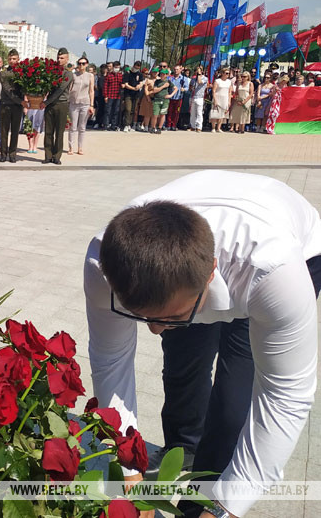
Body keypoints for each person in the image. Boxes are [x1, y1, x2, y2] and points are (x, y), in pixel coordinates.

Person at [84, 170, 321, 518]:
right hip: (191, 267)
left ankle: (202, 502)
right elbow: (110, 360)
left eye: (169, 317)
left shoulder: (276, 274)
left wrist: (225, 508)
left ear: (210, 274)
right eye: (141, 316)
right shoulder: (103, 263)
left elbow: (285, 396)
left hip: (283, 253)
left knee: (233, 399)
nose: (155, 331)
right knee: (183, 366)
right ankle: (185, 447)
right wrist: (130, 474)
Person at [42, 48, 71, 165]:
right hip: (50, 105)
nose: (59, 60)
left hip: (61, 104)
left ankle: (56, 156)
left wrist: (46, 102)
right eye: (58, 58)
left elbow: (60, 90)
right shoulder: (52, 72)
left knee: (59, 132)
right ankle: (48, 155)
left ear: (67, 59)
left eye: (62, 58)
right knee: (48, 131)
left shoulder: (68, 74)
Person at [0, 50, 25, 163]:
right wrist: (21, 101)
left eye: (14, 59)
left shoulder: (22, 73)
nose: (12, 61)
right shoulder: (3, 73)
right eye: (10, 59)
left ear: (18, 59)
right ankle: (3, 154)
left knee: (15, 131)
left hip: (17, 106)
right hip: (6, 105)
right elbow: (8, 90)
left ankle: (12, 154)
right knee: (4, 131)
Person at [68, 56, 95, 155]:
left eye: (83, 63)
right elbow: (70, 88)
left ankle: (80, 147)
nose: (81, 65)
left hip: (85, 103)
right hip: (74, 102)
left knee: (82, 127)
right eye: (79, 63)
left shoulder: (90, 76)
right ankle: (71, 147)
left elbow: (91, 90)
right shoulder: (74, 75)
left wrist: (91, 105)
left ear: (87, 64)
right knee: (73, 126)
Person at [150, 68, 176, 135]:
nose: (162, 75)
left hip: (165, 100)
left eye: (163, 74)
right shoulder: (157, 81)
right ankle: (153, 127)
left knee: (163, 114)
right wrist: (163, 86)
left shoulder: (168, 81)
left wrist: (170, 95)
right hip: (157, 99)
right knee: (155, 114)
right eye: (161, 74)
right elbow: (155, 90)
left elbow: (176, 88)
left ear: (166, 75)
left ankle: (159, 128)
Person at [165, 65, 189, 131]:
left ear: (180, 70)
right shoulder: (170, 78)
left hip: (179, 98)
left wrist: (184, 89)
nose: (176, 71)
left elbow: (187, 87)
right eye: (175, 69)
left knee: (176, 112)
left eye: (177, 69)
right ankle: (168, 125)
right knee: (169, 111)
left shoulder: (184, 79)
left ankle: (174, 125)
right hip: (171, 97)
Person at [122, 61, 143, 131]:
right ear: (133, 66)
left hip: (136, 94)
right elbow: (126, 84)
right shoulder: (128, 73)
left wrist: (139, 86)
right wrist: (133, 88)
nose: (136, 69)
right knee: (128, 109)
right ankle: (126, 124)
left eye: (138, 68)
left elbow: (141, 82)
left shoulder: (139, 74)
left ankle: (129, 124)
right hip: (128, 94)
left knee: (133, 110)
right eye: (136, 67)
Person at [103, 61, 122, 131]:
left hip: (118, 96)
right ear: (113, 67)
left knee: (116, 111)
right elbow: (105, 86)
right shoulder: (109, 75)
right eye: (116, 67)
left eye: (118, 67)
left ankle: (113, 125)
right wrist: (105, 96)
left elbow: (122, 84)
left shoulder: (120, 75)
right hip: (110, 95)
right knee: (108, 111)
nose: (117, 69)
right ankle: (106, 125)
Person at [188, 66, 208, 133]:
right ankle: (192, 126)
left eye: (199, 70)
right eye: (197, 70)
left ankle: (199, 127)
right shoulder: (193, 78)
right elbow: (190, 87)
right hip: (193, 96)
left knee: (199, 113)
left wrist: (199, 75)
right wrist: (191, 87)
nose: (197, 71)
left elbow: (199, 82)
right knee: (192, 113)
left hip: (200, 97)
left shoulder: (205, 78)